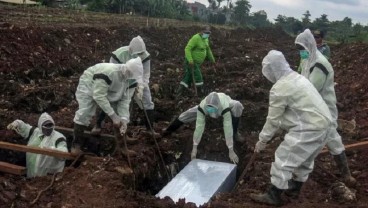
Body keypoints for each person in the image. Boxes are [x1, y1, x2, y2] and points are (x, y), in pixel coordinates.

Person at [249, 50, 333, 206]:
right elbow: (294, 110)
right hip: (325, 125)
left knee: (283, 158)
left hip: (309, 127)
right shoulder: (298, 78)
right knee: (306, 159)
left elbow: (272, 120)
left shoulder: (279, 88)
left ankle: (273, 195)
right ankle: (295, 187)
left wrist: (262, 140)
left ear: (272, 69)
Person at [295, 29, 356, 186]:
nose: (301, 52)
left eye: (302, 48)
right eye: (299, 49)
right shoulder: (306, 60)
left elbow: (311, 89)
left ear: (309, 46)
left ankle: (298, 180)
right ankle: (346, 175)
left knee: (326, 138)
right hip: (312, 108)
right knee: (331, 139)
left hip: (323, 109)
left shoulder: (320, 64)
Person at [72, 57, 143, 153]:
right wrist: (113, 116)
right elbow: (99, 96)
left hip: (110, 88)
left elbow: (124, 101)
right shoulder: (109, 72)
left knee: (119, 115)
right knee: (85, 112)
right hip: (89, 84)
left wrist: (124, 119)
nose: (131, 77)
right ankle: (76, 145)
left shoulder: (131, 80)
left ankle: (122, 148)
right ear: (127, 70)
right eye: (131, 74)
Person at [92, 36, 155, 134]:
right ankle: (98, 124)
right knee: (112, 99)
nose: (139, 55)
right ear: (130, 50)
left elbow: (146, 74)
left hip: (137, 79)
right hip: (121, 79)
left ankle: (150, 129)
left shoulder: (145, 56)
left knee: (147, 101)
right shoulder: (119, 54)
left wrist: (142, 86)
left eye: (141, 53)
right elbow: (112, 70)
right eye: (137, 53)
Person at [162, 92, 244, 164]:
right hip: (205, 108)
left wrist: (230, 149)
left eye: (213, 109)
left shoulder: (225, 107)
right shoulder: (203, 106)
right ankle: (169, 130)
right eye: (209, 108)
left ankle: (236, 133)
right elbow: (199, 127)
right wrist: (194, 148)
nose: (210, 110)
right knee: (186, 115)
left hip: (224, 101)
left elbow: (227, 127)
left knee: (237, 105)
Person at [6, 113, 68, 178]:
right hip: (31, 171)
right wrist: (17, 123)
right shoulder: (36, 132)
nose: (48, 128)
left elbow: (63, 152)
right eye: (46, 126)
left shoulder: (58, 137)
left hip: (47, 177)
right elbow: (25, 127)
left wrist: (52, 150)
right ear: (40, 126)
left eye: (50, 125)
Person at [176, 26, 216, 98]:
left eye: (209, 33)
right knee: (198, 77)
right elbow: (187, 49)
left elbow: (208, 49)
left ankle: (179, 93)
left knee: (187, 77)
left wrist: (212, 59)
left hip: (197, 63)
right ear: (201, 31)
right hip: (192, 62)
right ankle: (200, 94)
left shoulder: (206, 39)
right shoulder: (195, 38)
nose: (207, 34)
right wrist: (190, 60)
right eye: (206, 33)